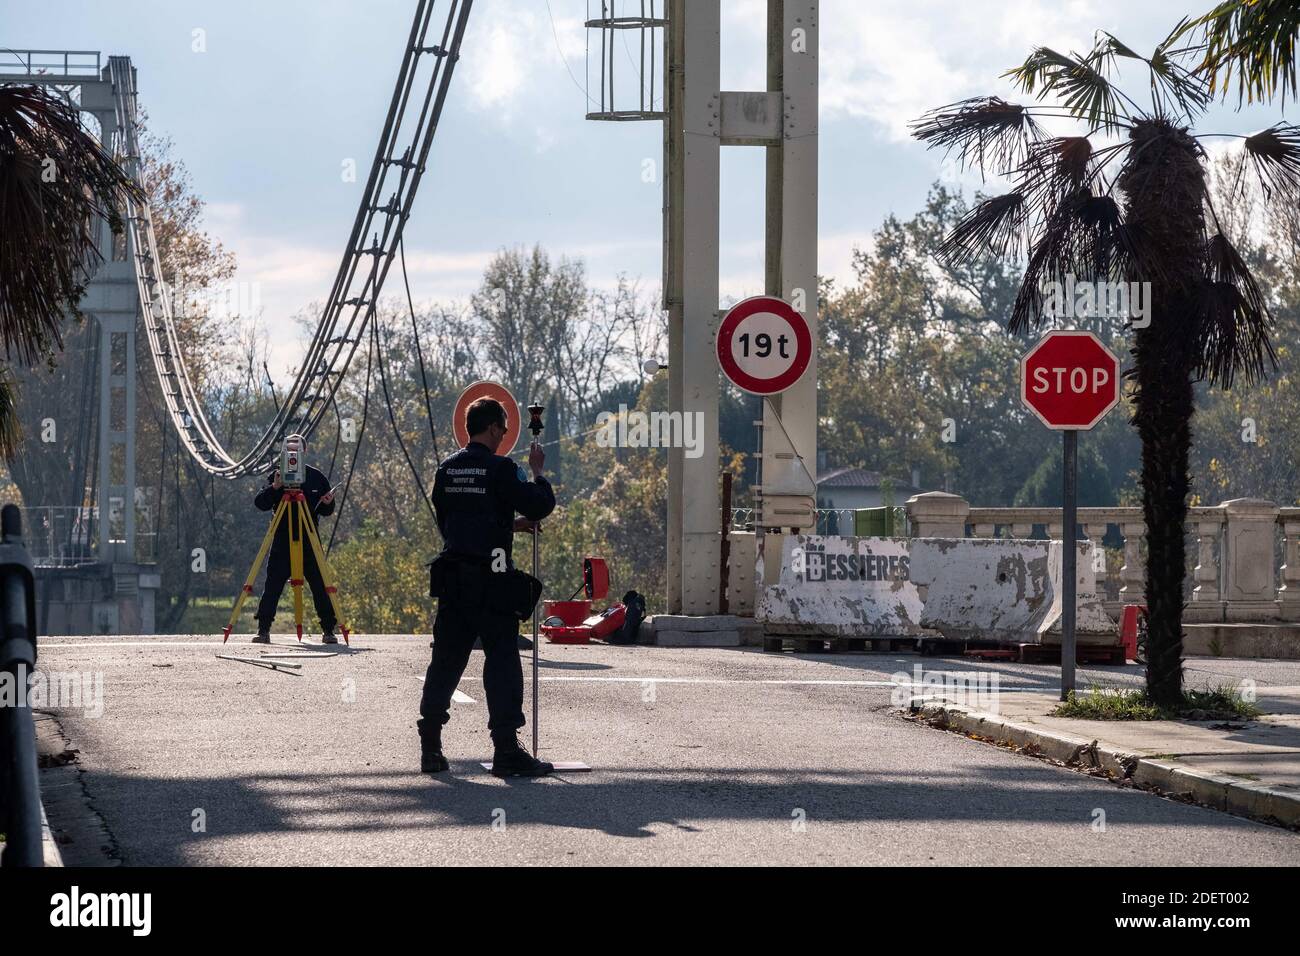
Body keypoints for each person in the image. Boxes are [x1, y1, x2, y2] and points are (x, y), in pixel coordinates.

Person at [419, 397, 556, 777]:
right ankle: (506, 752)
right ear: (494, 428)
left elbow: (457, 523)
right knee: (501, 661)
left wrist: (509, 526)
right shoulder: (501, 469)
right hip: (493, 580)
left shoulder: (446, 470)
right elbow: (540, 504)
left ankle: (430, 746)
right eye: (503, 430)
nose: (504, 437)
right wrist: (538, 473)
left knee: (446, 661)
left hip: (454, 579)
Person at [252, 461, 338, 644]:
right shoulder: (276, 475)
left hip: (309, 538)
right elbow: (260, 503)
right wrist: (276, 487)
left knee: (320, 585)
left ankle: (329, 630)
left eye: (296, 449)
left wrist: (329, 503)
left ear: (303, 451)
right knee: (272, 585)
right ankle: (263, 629)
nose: (292, 455)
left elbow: (326, 510)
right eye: (289, 450)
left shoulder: (316, 477)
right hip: (282, 540)